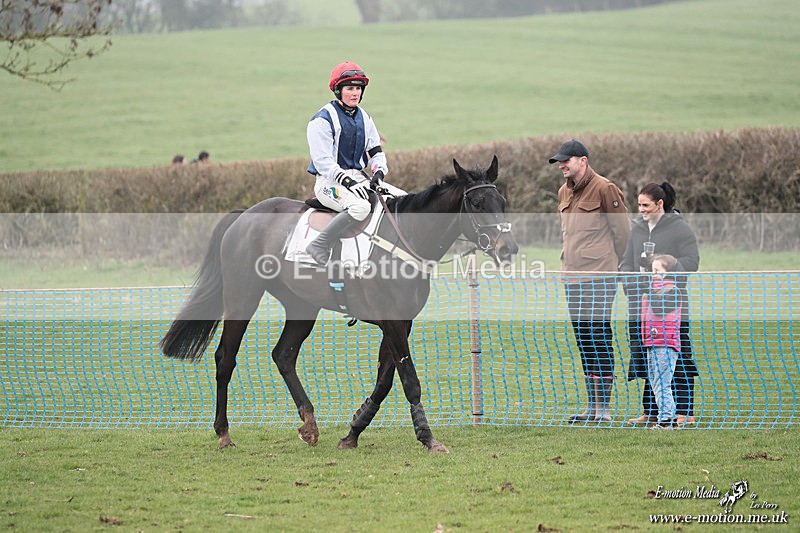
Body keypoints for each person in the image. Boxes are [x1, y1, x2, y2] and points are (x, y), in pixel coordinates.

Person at [550, 139, 631, 423]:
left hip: (599, 276)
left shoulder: (605, 188)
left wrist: (620, 270)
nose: (561, 165)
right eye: (560, 161)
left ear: (583, 160)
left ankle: (604, 409)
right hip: (572, 278)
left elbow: (623, 233)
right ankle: (591, 407)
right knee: (583, 340)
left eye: (566, 160)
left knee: (599, 336)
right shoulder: (563, 192)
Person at [305, 61, 405, 267]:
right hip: (329, 182)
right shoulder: (321, 120)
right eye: (350, 88)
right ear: (338, 90)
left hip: (360, 178)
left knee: (403, 200)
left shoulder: (365, 118)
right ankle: (319, 245)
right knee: (360, 207)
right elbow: (323, 162)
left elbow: (376, 152)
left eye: (358, 88)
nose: (355, 93)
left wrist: (378, 173)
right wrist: (348, 182)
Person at [619, 182, 700, 427]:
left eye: (646, 205)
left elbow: (692, 261)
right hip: (640, 303)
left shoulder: (680, 228)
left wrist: (667, 264)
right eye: (639, 205)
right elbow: (626, 260)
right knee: (645, 354)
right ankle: (652, 411)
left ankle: (684, 410)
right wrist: (628, 279)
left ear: (660, 204)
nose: (641, 210)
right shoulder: (638, 229)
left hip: (670, 303)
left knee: (678, 355)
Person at [640, 254, 683, 429]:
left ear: (669, 272)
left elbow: (659, 308)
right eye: (652, 270)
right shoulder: (651, 289)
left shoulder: (673, 291)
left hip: (665, 343)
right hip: (652, 341)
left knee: (662, 382)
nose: (654, 273)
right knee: (656, 382)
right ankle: (669, 419)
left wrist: (648, 289)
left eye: (657, 270)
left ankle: (665, 420)